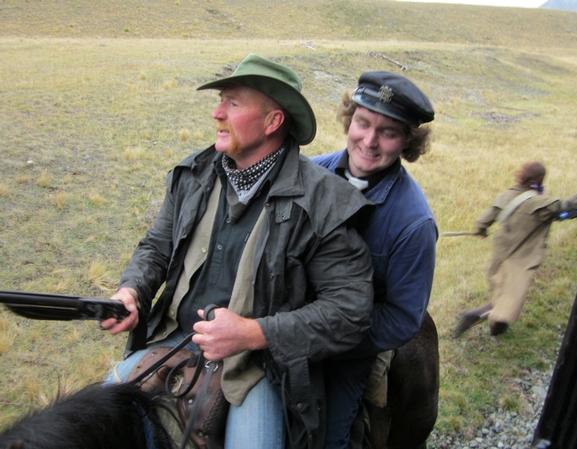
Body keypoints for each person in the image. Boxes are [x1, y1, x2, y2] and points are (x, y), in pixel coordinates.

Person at [100, 53, 374, 449]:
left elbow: (350, 311)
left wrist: (253, 332)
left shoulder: (325, 202)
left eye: (232, 103)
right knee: (96, 419)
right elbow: (156, 247)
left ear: (272, 121)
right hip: (172, 340)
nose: (216, 113)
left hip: (259, 367)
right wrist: (132, 291)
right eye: (219, 101)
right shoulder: (193, 174)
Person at [313, 71, 438, 449]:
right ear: (350, 119)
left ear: (406, 143)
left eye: (387, 132)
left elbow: (402, 318)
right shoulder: (308, 174)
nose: (369, 140)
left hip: (351, 345)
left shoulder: (414, 224)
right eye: (362, 123)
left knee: (329, 438)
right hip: (279, 322)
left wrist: (323, 336)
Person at [454, 161, 577, 337]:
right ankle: (475, 317)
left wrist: (481, 230)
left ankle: (495, 329)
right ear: (540, 181)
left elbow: (484, 220)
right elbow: (571, 206)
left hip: (500, 255)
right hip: (521, 259)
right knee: (509, 302)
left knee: (500, 294)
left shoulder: (507, 196)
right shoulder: (542, 205)